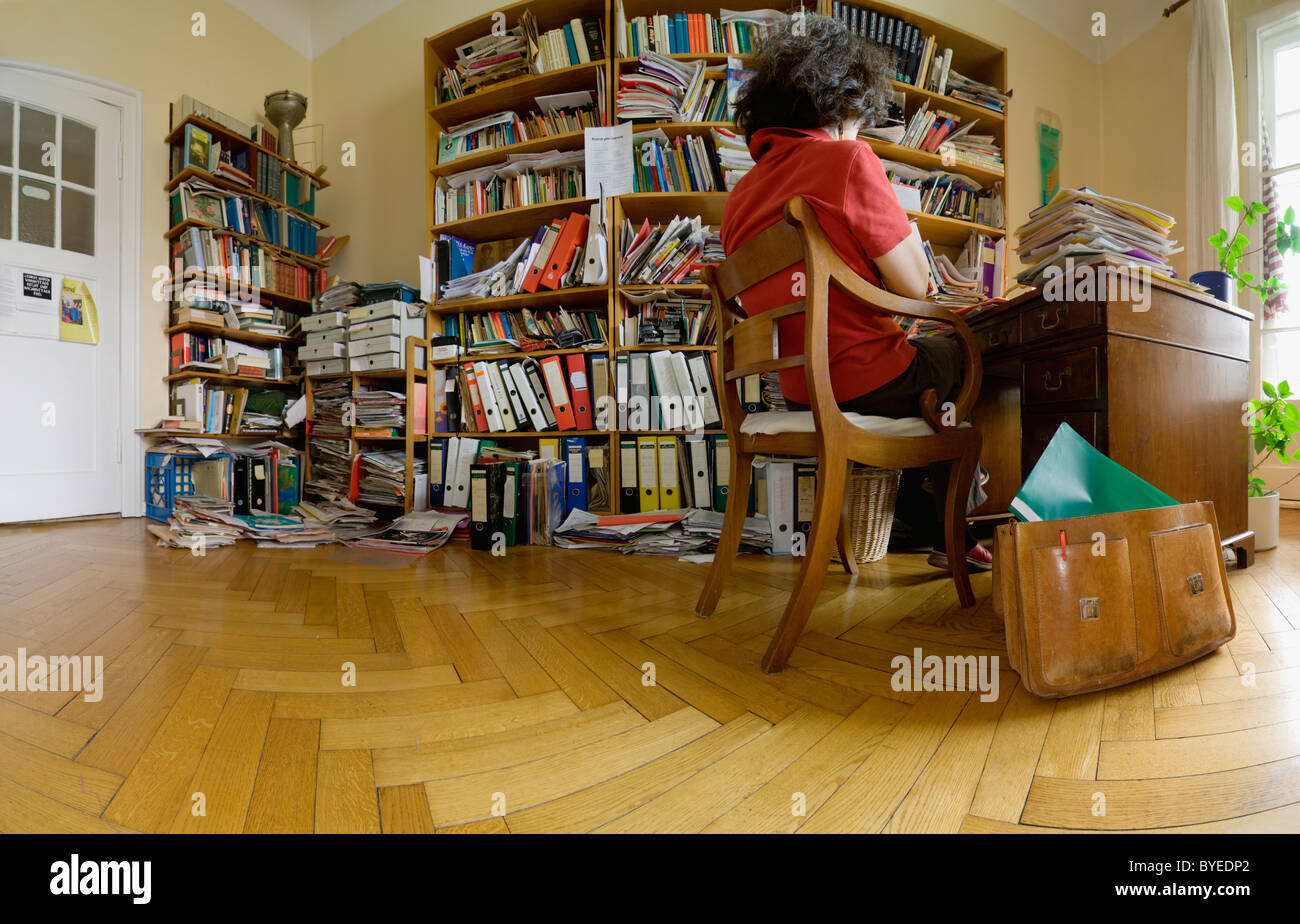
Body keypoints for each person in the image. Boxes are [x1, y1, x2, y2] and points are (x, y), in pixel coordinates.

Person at [721, 12, 992, 572]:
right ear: (841, 103)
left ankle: (930, 519)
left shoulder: (739, 200)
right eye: (858, 118)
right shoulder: (845, 159)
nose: (860, 129)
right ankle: (955, 529)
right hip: (868, 379)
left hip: (799, 389)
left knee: (935, 377)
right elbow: (917, 286)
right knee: (967, 355)